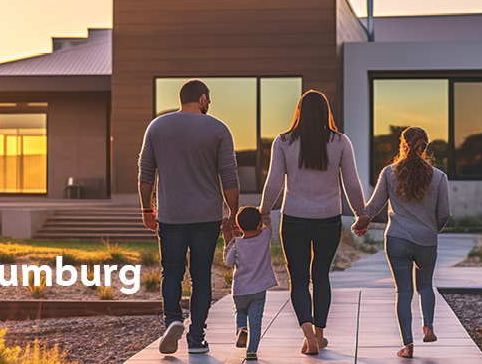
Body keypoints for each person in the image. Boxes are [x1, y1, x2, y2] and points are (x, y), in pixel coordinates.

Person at [138, 79, 241, 355]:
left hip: (170, 215)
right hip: (206, 217)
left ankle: (172, 320)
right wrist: (232, 213)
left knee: (171, 272)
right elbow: (229, 177)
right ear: (203, 98)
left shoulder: (157, 126)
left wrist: (147, 209)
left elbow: (145, 172)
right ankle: (196, 338)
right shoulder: (218, 129)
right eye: (209, 99)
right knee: (200, 276)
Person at [259, 90, 365, 355]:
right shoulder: (340, 142)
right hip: (328, 220)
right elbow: (351, 182)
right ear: (325, 112)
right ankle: (318, 334)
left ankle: (307, 334)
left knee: (298, 279)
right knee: (321, 276)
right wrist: (361, 214)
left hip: (293, 218)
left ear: (299, 111)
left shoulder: (283, 142)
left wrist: (263, 212)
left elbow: (273, 182)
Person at [353, 126, 450, 359]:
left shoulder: (389, 173)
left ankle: (408, 346)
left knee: (403, 292)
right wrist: (430, 230)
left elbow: (373, 206)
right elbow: (444, 213)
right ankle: (428, 327)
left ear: (402, 145)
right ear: (425, 147)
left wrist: (360, 222)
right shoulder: (439, 177)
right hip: (426, 240)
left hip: (397, 239)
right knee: (425, 286)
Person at [224, 206, 279, 361]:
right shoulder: (265, 235)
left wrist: (228, 243)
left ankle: (241, 330)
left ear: (239, 225)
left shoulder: (237, 243)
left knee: (240, 313)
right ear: (259, 223)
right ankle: (251, 351)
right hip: (258, 290)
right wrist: (264, 218)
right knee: (255, 321)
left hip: (240, 289)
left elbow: (228, 261)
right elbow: (267, 225)